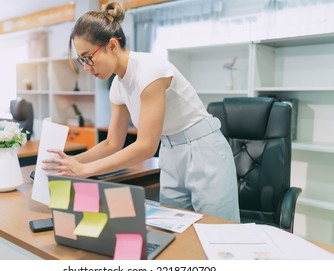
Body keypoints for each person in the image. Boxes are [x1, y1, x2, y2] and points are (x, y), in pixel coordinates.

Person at [43, 2, 240, 222]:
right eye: (82, 60)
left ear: (112, 46)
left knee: (218, 230)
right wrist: (69, 163)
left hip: (204, 150)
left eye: (89, 57)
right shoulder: (118, 86)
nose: (87, 68)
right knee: (175, 228)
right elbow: (112, 143)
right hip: (170, 152)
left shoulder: (149, 70)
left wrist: (85, 170)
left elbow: (146, 146)